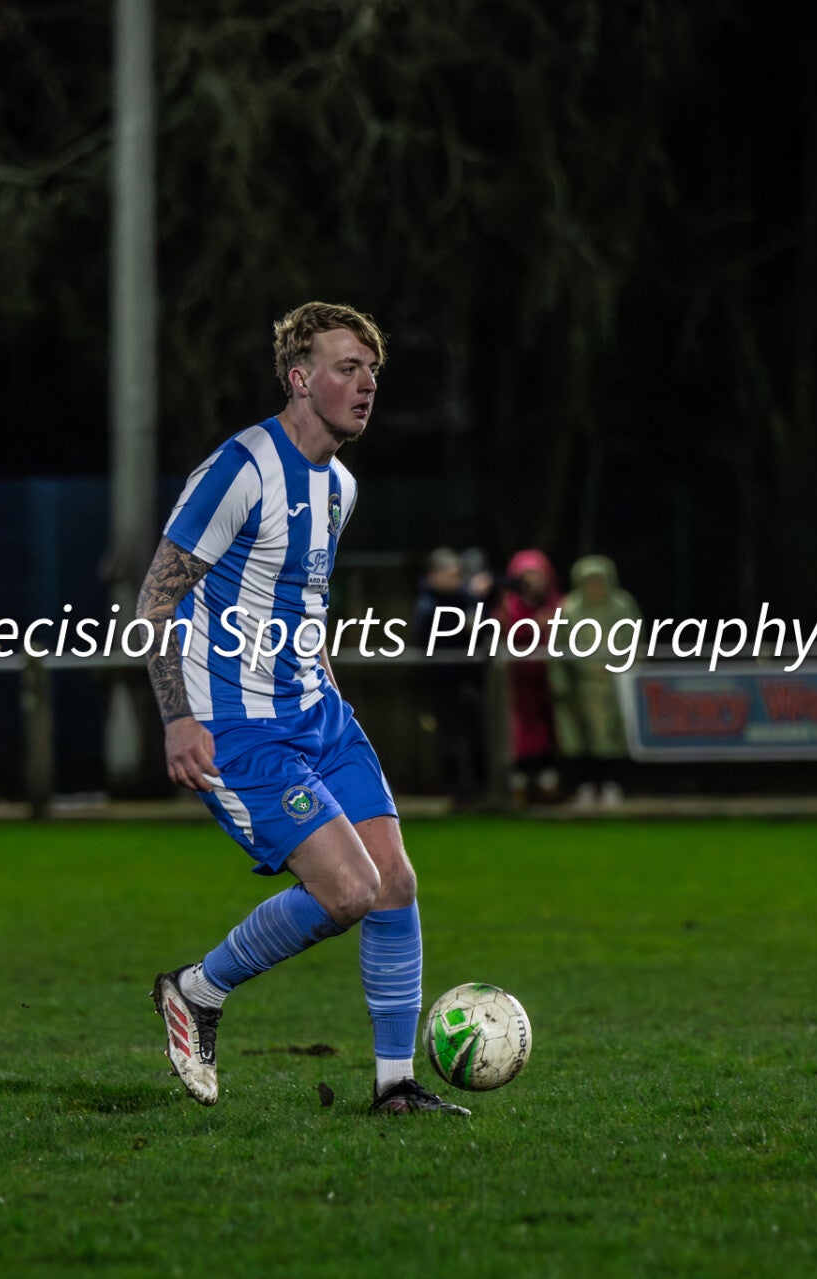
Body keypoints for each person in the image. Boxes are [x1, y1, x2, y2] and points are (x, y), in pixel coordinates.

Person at [133, 301, 467, 1116]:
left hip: (319, 715)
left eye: (372, 372)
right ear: (299, 377)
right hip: (241, 729)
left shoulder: (339, 486)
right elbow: (154, 598)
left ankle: (393, 1087)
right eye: (346, 367)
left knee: (394, 882)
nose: (365, 385)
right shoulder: (241, 469)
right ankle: (197, 989)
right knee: (347, 890)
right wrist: (178, 719)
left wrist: (328, 689)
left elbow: (301, 598)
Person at [550, 555, 639, 807]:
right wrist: (559, 681)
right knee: (579, 737)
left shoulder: (622, 605)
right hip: (581, 685)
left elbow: (635, 641)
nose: (595, 587)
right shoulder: (569, 609)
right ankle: (585, 785)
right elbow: (557, 650)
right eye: (589, 582)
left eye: (599, 581)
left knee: (613, 736)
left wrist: (627, 671)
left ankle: (612, 784)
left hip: (616, 684)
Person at [413, 547, 487, 807]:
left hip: (469, 679)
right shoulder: (426, 601)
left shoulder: (466, 597)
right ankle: (458, 791)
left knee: (474, 735)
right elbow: (428, 633)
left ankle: (477, 789)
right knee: (450, 738)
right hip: (441, 681)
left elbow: (482, 625)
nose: (457, 580)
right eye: (451, 574)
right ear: (435, 575)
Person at [501, 549, 562, 802]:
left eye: (537, 575)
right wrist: (533, 627)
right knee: (520, 733)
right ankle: (521, 785)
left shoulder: (558, 604)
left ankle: (550, 783)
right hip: (517, 682)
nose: (532, 582)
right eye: (525, 576)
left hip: (553, 680)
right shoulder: (508, 606)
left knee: (555, 729)